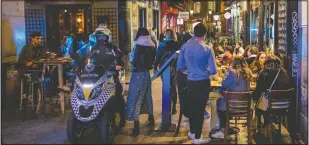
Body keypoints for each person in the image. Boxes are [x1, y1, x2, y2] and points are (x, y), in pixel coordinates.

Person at [177, 23, 217, 144]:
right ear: (205, 34)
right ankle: (198, 138)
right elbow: (213, 70)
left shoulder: (185, 46)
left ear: (194, 33)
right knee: (200, 109)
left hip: (190, 81)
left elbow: (179, 66)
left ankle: (193, 132)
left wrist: (189, 68)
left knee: (193, 107)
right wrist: (205, 70)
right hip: (203, 82)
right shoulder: (207, 48)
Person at [83, 26, 126, 128]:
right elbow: (86, 59)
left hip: (111, 75)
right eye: (99, 37)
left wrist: (118, 65)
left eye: (103, 37)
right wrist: (81, 65)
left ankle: (122, 115)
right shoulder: (93, 48)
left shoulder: (114, 48)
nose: (101, 39)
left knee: (118, 91)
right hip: (96, 76)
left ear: (108, 37)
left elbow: (121, 59)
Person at [211, 57, 252, 139]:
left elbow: (224, 84)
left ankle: (222, 130)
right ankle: (226, 127)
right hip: (244, 107)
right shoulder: (248, 73)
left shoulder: (231, 71)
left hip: (231, 107)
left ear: (233, 63)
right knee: (223, 99)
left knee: (219, 101)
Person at [126, 27, 156, 136]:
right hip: (146, 74)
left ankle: (136, 126)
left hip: (137, 74)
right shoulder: (152, 45)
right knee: (147, 96)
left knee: (135, 98)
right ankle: (151, 117)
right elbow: (153, 60)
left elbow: (133, 60)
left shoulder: (138, 45)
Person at [252, 55, 291, 135]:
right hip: (284, 105)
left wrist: (254, 98)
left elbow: (259, 89)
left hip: (270, 105)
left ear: (266, 62)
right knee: (265, 101)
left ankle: (263, 127)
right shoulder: (283, 72)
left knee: (258, 103)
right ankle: (270, 124)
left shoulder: (264, 72)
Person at [18, 31, 46, 117]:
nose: (39, 40)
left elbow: (42, 57)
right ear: (32, 39)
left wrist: (33, 62)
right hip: (27, 71)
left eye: (40, 39)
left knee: (38, 80)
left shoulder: (41, 48)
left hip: (37, 70)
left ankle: (36, 105)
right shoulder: (26, 48)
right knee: (32, 83)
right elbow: (20, 60)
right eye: (37, 39)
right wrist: (27, 63)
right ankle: (27, 107)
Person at [154, 29, 180, 114]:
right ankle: (174, 108)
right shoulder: (177, 45)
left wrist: (155, 67)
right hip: (174, 69)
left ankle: (166, 107)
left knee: (166, 87)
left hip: (163, 69)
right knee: (173, 87)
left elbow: (157, 58)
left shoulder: (161, 46)